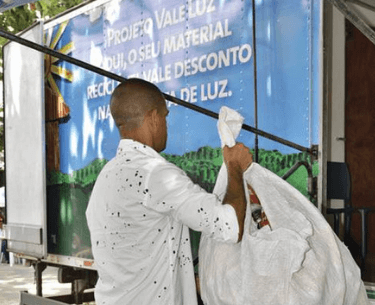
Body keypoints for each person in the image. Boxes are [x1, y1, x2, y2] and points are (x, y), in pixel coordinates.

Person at [86, 78, 252, 305]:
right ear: (153, 118)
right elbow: (231, 227)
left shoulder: (106, 176)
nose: (166, 125)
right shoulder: (155, 175)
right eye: (165, 117)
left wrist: (188, 279)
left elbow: (138, 256)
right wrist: (234, 165)